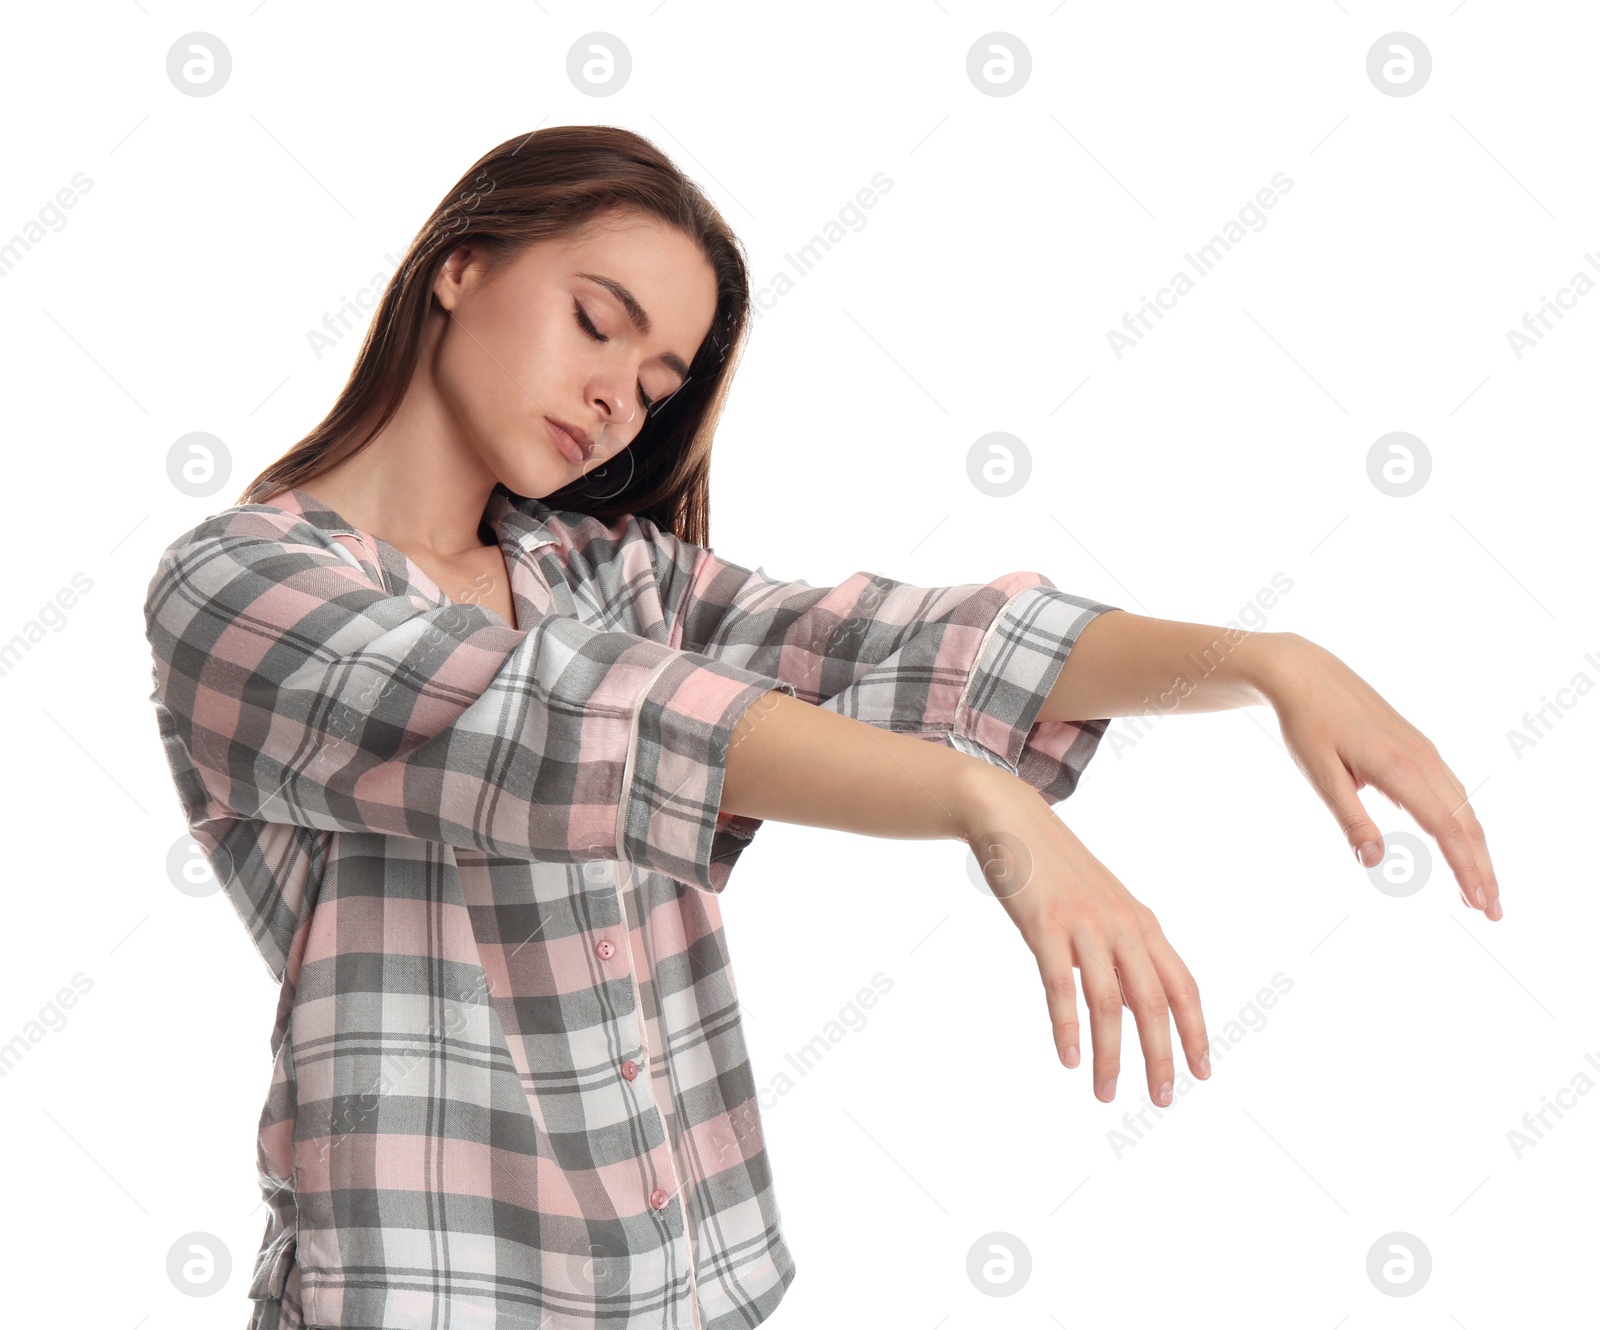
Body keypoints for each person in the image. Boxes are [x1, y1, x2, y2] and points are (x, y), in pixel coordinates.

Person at [141, 124, 1501, 1330]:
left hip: (697, 1285)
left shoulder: (607, 574)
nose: (622, 392)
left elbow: (890, 640)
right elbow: (558, 721)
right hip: (435, 1289)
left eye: (661, 379)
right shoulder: (242, 586)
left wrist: (1266, 658)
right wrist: (987, 800)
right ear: (461, 266)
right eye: (597, 319)